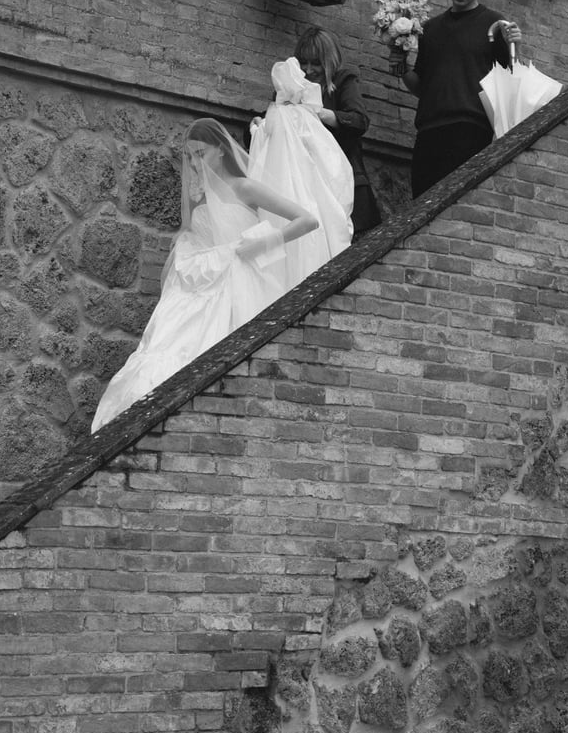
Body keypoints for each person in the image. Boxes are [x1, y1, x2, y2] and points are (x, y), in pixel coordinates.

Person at [91, 119, 318, 432]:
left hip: (240, 281)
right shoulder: (198, 196)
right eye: (190, 156)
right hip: (198, 284)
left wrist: (264, 242)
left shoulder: (245, 187)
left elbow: (307, 220)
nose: (195, 163)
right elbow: (193, 234)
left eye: (201, 154)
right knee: (166, 352)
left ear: (221, 150)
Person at [397, 0, 523, 197]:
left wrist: (515, 47)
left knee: (460, 207)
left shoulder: (494, 24)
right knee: (421, 205)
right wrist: (400, 65)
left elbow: (514, 81)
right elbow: (422, 87)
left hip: (472, 131)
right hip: (429, 132)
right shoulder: (430, 29)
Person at [248, 55, 354, 287]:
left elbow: (260, 155)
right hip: (307, 190)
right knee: (311, 240)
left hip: (279, 189)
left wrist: (257, 130)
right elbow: (333, 165)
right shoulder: (306, 118)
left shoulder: (275, 117)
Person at [294, 25, 382, 236]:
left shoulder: (344, 81)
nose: (308, 70)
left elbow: (359, 121)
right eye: (303, 63)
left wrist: (320, 113)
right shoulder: (292, 87)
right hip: (305, 187)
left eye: (316, 63)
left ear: (329, 61)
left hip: (344, 184)